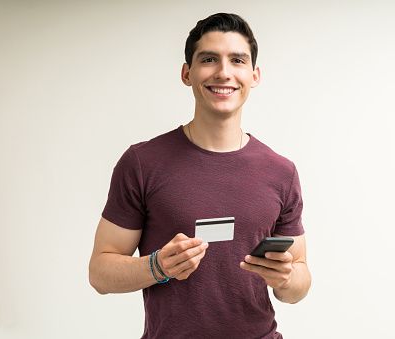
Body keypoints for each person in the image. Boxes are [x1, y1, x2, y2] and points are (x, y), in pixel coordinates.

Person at [89, 12, 311, 339]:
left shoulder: (281, 172)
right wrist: (157, 266)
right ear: (187, 73)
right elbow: (100, 273)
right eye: (209, 59)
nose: (223, 73)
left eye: (237, 60)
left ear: (254, 75)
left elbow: (299, 281)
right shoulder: (141, 162)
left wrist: (286, 278)